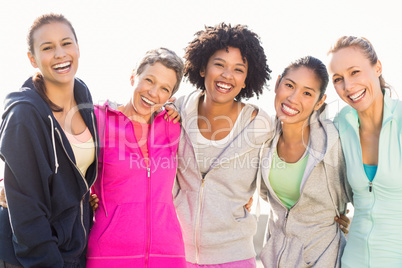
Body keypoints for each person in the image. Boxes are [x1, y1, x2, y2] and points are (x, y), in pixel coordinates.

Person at [0, 13, 98, 267]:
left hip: (73, 252)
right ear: (32, 59)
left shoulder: (84, 101)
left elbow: (71, 176)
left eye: (66, 43)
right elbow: (27, 211)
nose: (60, 54)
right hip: (30, 258)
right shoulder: (24, 115)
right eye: (47, 47)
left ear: (78, 48)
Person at [173, 23, 274, 267]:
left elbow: (279, 177)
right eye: (219, 64)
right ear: (202, 68)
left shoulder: (259, 124)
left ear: (246, 80)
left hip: (234, 255)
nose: (227, 75)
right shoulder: (176, 112)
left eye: (238, 69)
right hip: (177, 252)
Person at [85, 47, 187, 267]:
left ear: (170, 97)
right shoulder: (98, 119)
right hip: (109, 254)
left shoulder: (173, 126)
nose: (153, 93)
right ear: (133, 76)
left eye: (164, 89)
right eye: (149, 80)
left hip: (167, 255)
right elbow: (58, 156)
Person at [259, 56, 352, 267]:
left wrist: (343, 214)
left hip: (323, 258)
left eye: (307, 93)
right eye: (289, 85)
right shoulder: (263, 136)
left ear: (320, 101)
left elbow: (361, 190)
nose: (293, 98)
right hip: (276, 260)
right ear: (277, 83)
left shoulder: (334, 140)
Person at [328, 36, 402, 267]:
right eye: (338, 79)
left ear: (377, 68)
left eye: (355, 72)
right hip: (353, 260)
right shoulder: (341, 127)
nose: (348, 86)